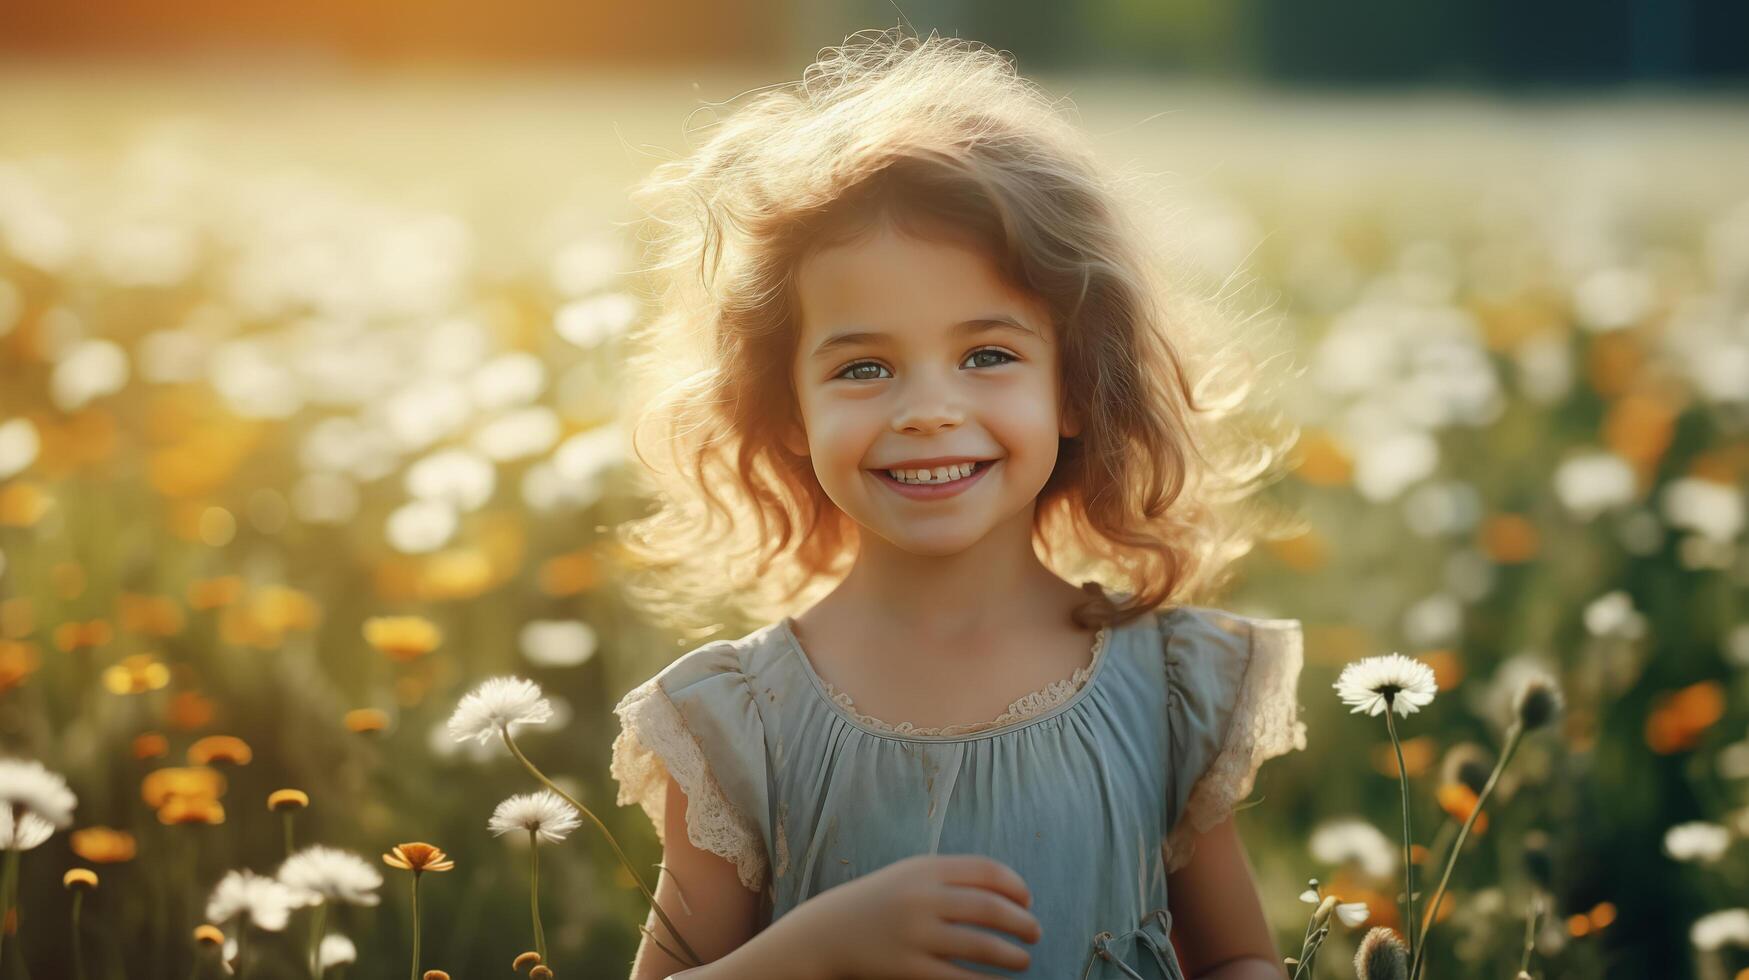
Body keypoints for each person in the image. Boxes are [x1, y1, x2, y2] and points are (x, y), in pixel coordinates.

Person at [607, 26, 1307, 980]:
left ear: (1073, 388)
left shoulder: (1168, 686)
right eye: (864, 367)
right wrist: (813, 952)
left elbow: (1236, 960)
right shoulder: (742, 725)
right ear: (787, 413)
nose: (929, 411)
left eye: (987, 355)